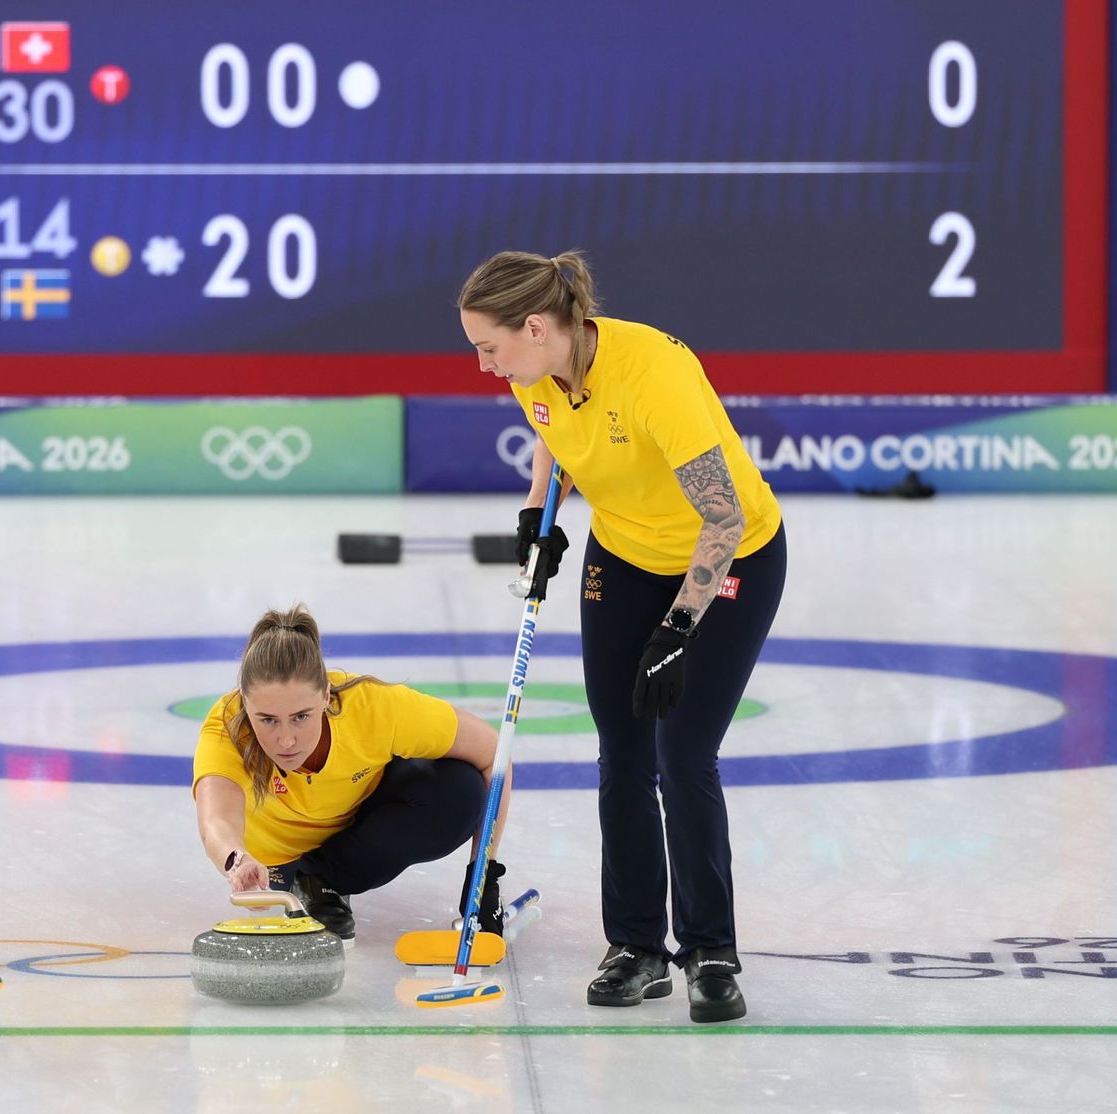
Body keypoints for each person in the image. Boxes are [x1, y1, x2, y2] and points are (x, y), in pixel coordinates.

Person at [458, 250, 786, 1023]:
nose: (483, 365)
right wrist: (538, 511)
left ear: (535, 327)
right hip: (625, 557)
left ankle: (709, 948)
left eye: (488, 346)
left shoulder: (653, 376)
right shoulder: (533, 371)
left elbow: (723, 518)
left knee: (683, 753)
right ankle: (635, 945)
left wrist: (678, 629)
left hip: (727, 559)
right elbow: (558, 435)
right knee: (624, 751)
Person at [193, 605, 511, 943]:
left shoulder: (371, 708)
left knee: (459, 792)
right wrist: (238, 860)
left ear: (326, 695)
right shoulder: (227, 728)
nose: (286, 740)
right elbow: (217, 819)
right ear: (245, 704)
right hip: (279, 860)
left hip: (355, 834)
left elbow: (494, 753)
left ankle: (324, 878)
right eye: (268, 720)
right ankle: (306, 879)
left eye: (301, 717)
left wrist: (483, 877)